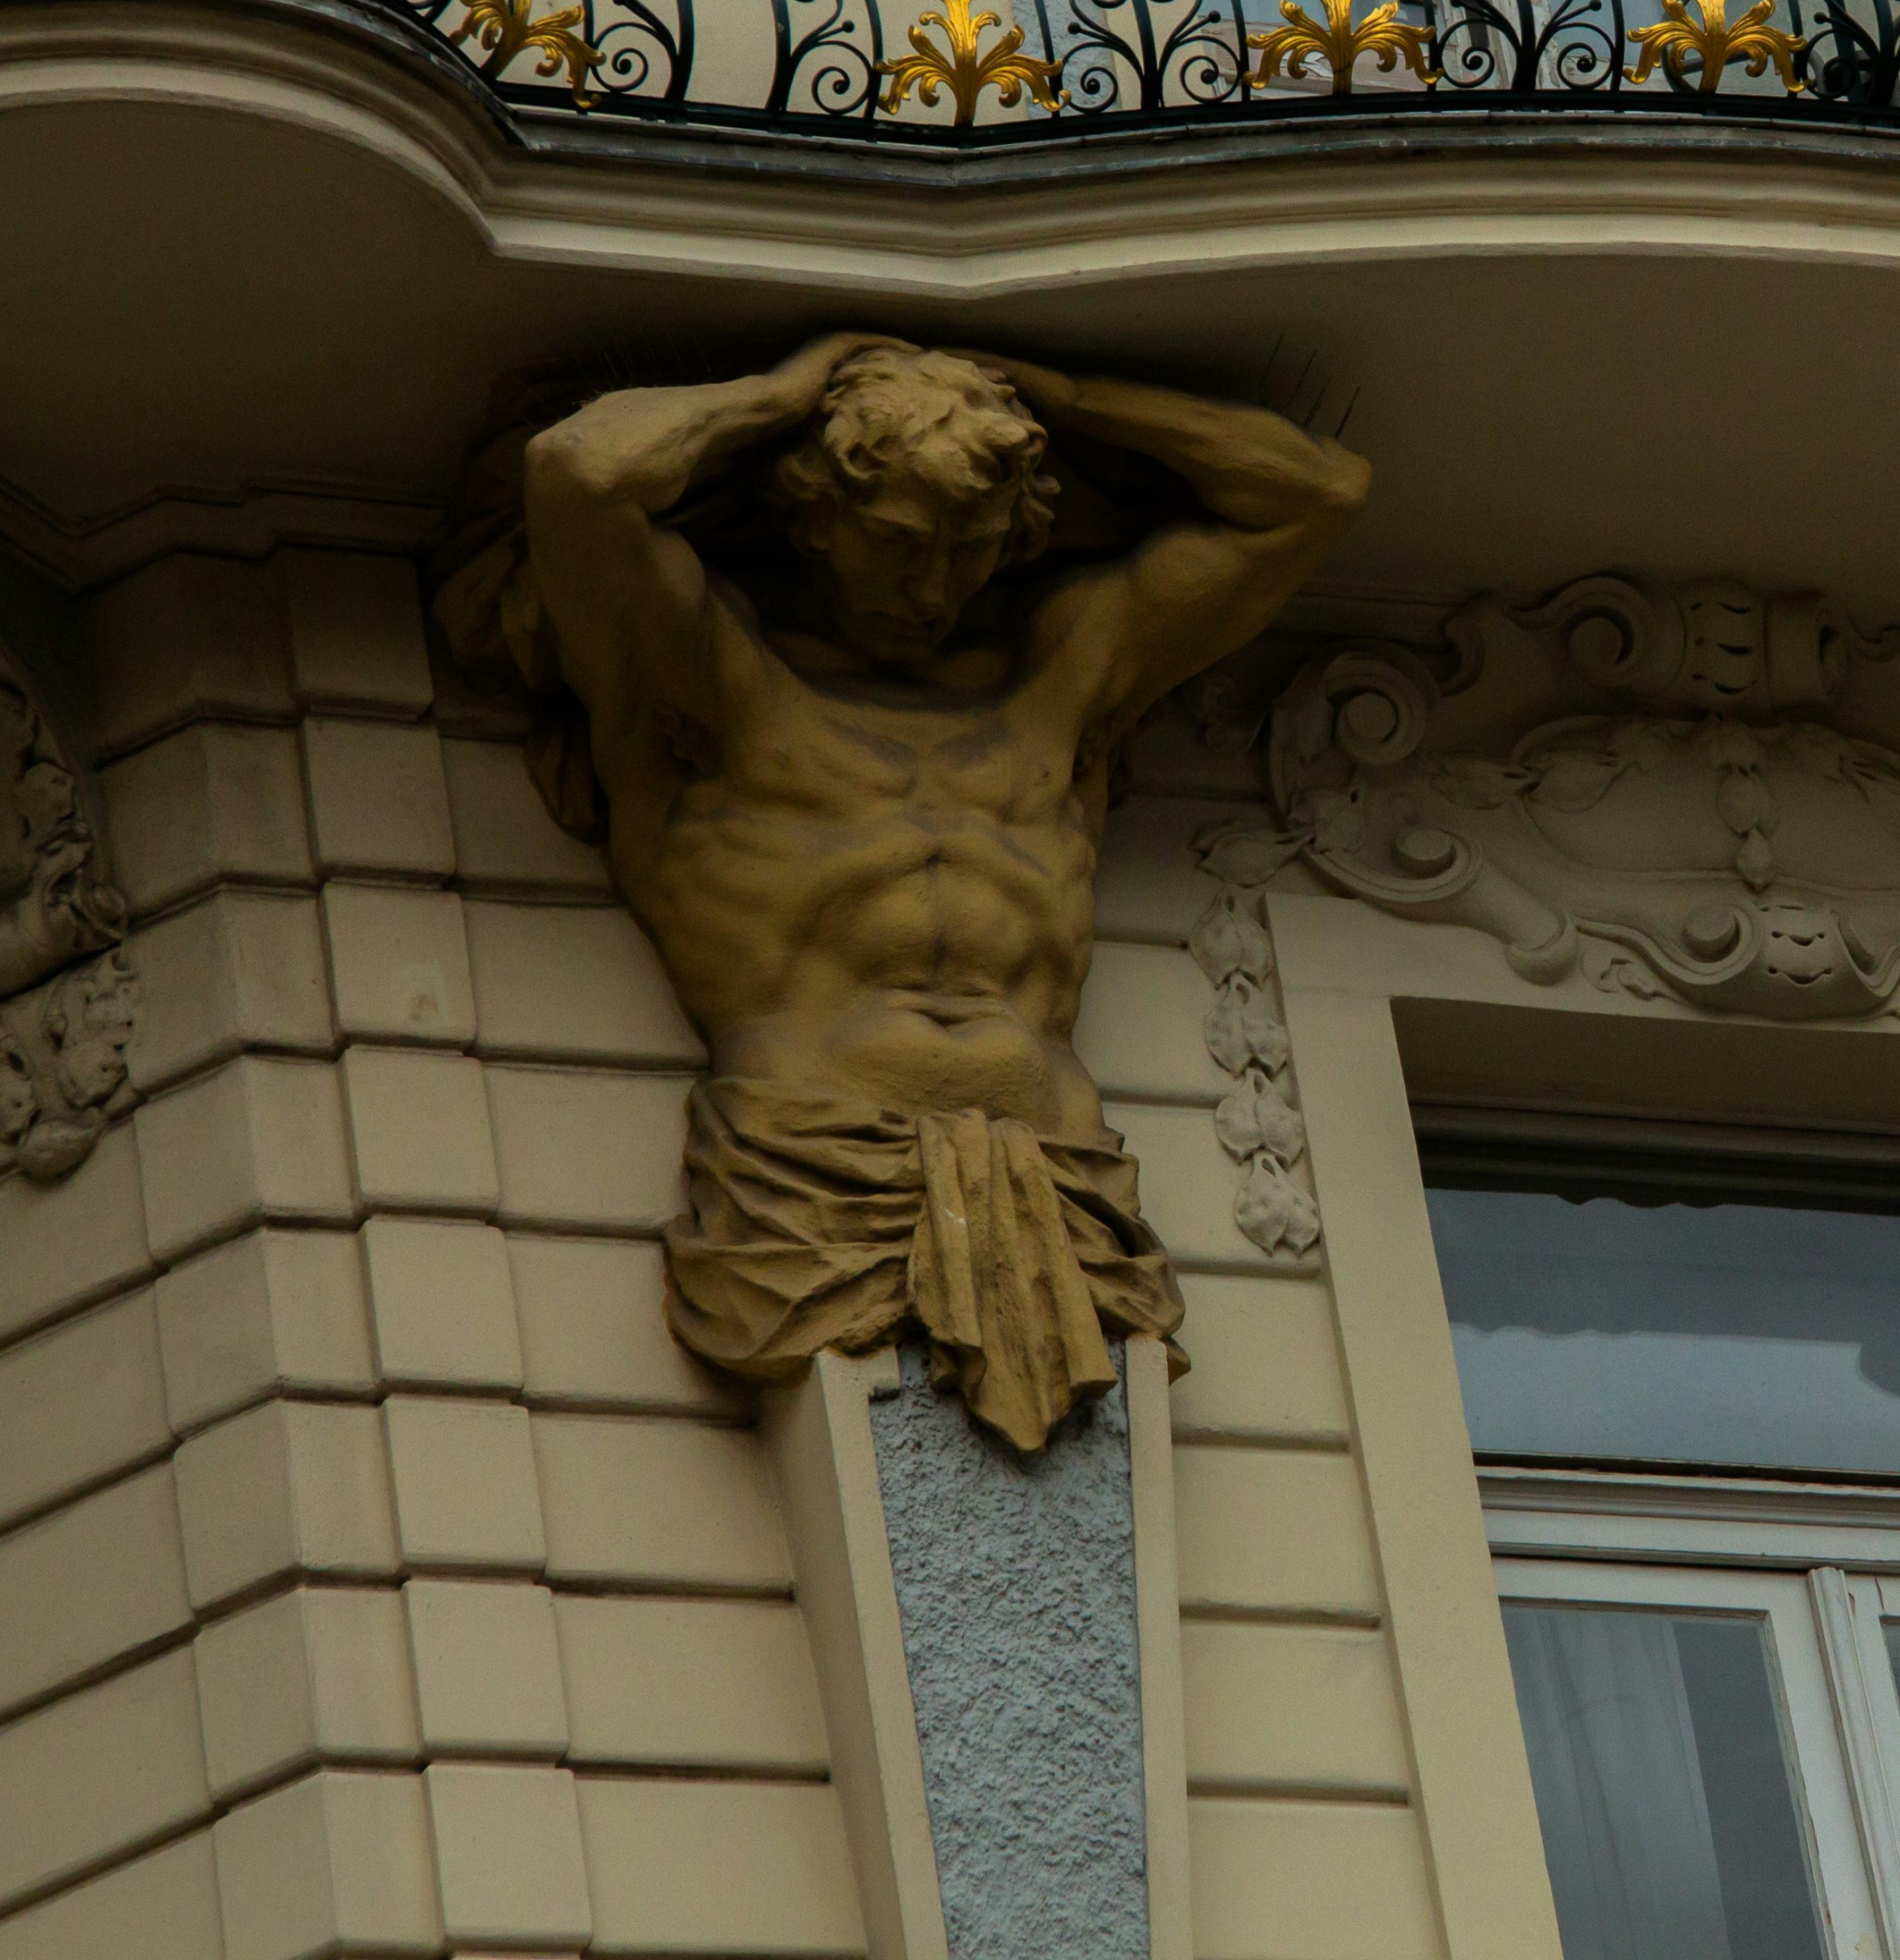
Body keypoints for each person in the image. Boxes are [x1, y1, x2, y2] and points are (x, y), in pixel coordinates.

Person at [508, 332, 1370, 1449]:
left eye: (972, 550)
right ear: (814, 514)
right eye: (897, 543)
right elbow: (580, 474)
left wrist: (1054, 391)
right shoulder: (713, 690)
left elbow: (1314, 494)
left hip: (1067, 1182)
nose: (930, 589)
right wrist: (787, 391)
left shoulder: (1062, 686)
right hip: (810, 1172)